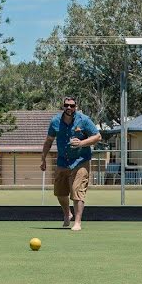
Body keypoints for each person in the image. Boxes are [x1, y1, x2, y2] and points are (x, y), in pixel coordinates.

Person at [40, 96, 101, 231]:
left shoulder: (83, 120)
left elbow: (97, 136)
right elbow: (49, 141)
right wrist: (43, 158)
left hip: (80, 161)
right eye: (66, 105)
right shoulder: (55, 121)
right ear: (63, 106)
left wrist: (82, 143)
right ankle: (67, 213)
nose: (69, 108)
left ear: (76, 107)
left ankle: (77, 222)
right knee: (60, 192)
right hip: (62, 161)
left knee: (77, 191)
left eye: (72, 106)